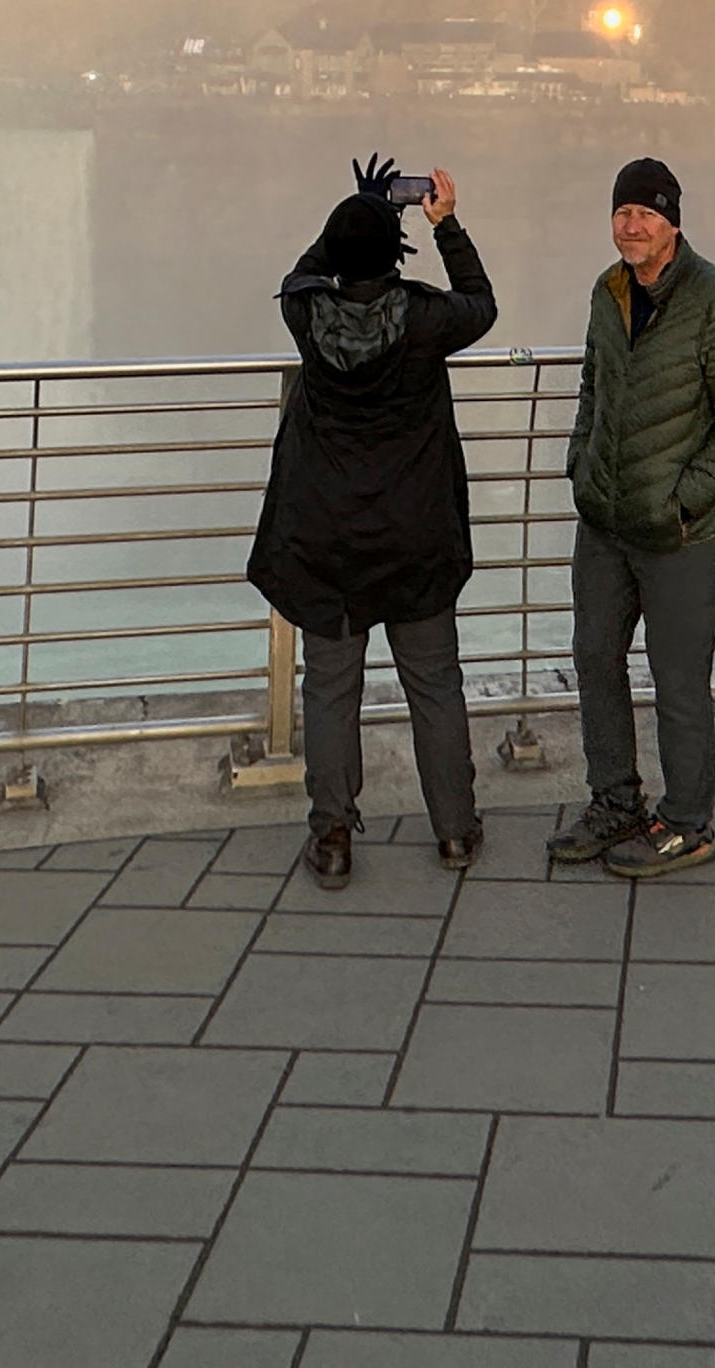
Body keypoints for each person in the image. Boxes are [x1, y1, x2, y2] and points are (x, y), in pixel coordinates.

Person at [246, 157, 497, 887]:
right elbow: (480, 302)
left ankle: (332, 840)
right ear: (395, 256)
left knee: (329, 691)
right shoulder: (426, 320)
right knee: (435, 687)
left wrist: (359, 209)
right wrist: (442, 225)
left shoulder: (306, 316)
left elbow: (301, 273)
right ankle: (455, 833)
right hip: (415, 541)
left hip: (328, 546)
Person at [555, 156, 715, 878]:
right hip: (606, 523)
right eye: (622, 212)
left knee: (679, 682)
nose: (631, 226)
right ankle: (615, 801)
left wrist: (686, 498)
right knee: (595, 661)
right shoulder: (608, 291)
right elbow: (594, 382)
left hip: (679, 533)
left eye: (645, 213)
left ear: (673, 221)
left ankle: (687, 822)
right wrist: (581, 463)